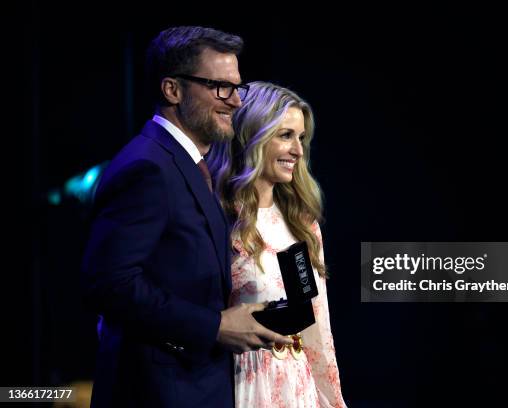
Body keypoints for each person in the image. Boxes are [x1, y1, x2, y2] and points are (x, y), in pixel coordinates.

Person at [82, 27, 292, 408]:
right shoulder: (147, 167)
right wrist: (214, 326)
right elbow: (108, 283)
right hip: (159, 392)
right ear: (172, 90)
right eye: (220, 87)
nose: (235, 102)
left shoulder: (192, 166)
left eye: (237, 87)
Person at [209, 81, 347, 407]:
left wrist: (331, 400)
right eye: (285, 135)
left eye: (301, 138)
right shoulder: (217, 217)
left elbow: (317, 329)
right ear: (252, 135)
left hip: (297, 389)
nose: (298, 150)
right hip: (240, 387)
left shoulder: (302, 224)